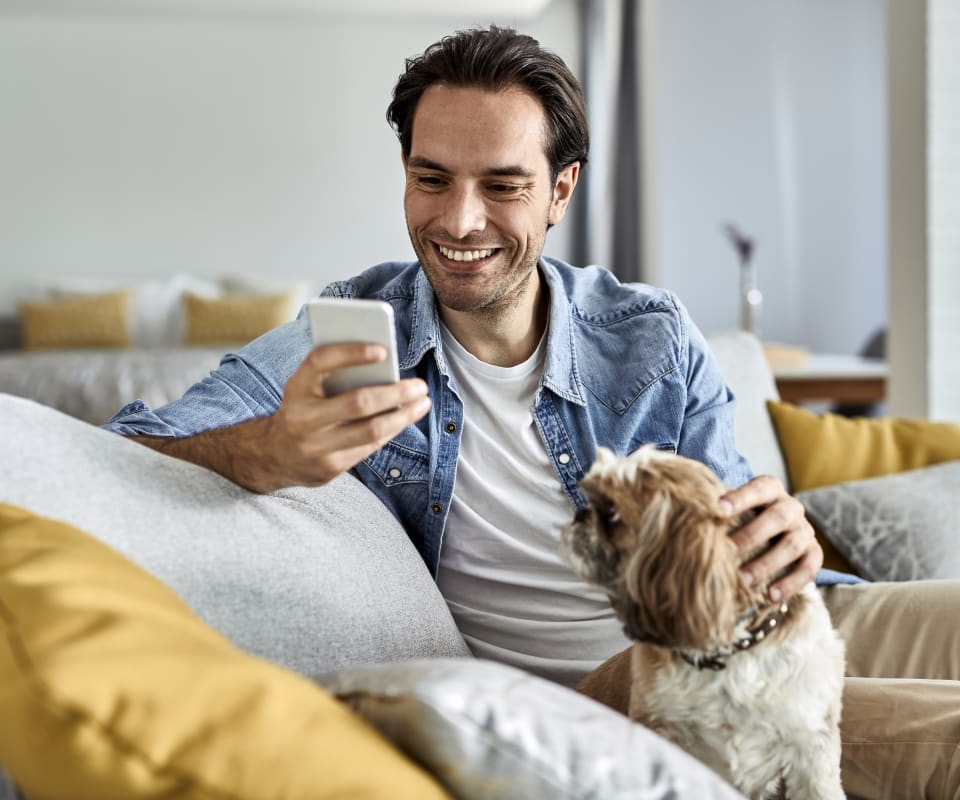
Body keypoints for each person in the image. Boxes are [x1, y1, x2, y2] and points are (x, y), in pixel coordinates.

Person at [104, 26, 960, 799]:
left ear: (561, 190)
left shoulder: (648, 335)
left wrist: (784, 539)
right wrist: (267, 450)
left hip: (780, 626)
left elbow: (732, 542)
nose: (459, 220)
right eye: (430, 178)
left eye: (503, 185)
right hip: (645, 692)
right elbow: (131, 446)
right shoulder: (350, 335)